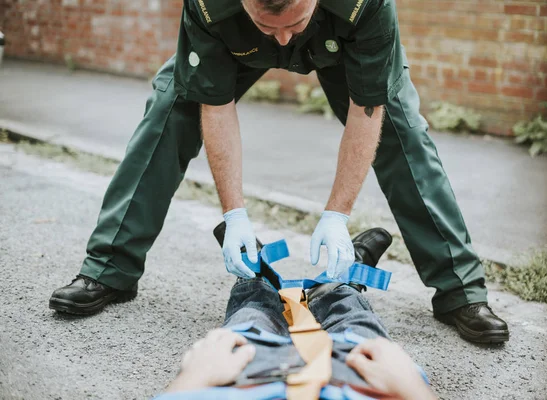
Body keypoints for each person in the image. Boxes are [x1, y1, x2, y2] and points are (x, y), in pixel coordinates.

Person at [49, 0, 509, 344]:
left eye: (295, 23)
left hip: (340, 39)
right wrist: (235, 214)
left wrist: (337, 215)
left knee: (400, 127)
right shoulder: (211, 4)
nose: (284, 40)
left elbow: (367, 109)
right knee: (172, 109)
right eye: (270, 24)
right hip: (236, 45)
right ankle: (109, 268)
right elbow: (214, 101)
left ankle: (460, 290)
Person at [155, 226, 438, 399]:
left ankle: (254, 280)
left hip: (246, 378)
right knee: (357, 324)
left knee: (251, 317)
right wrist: (413, 390)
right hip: (361, 381)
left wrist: (190, 382)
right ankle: (340, 288)